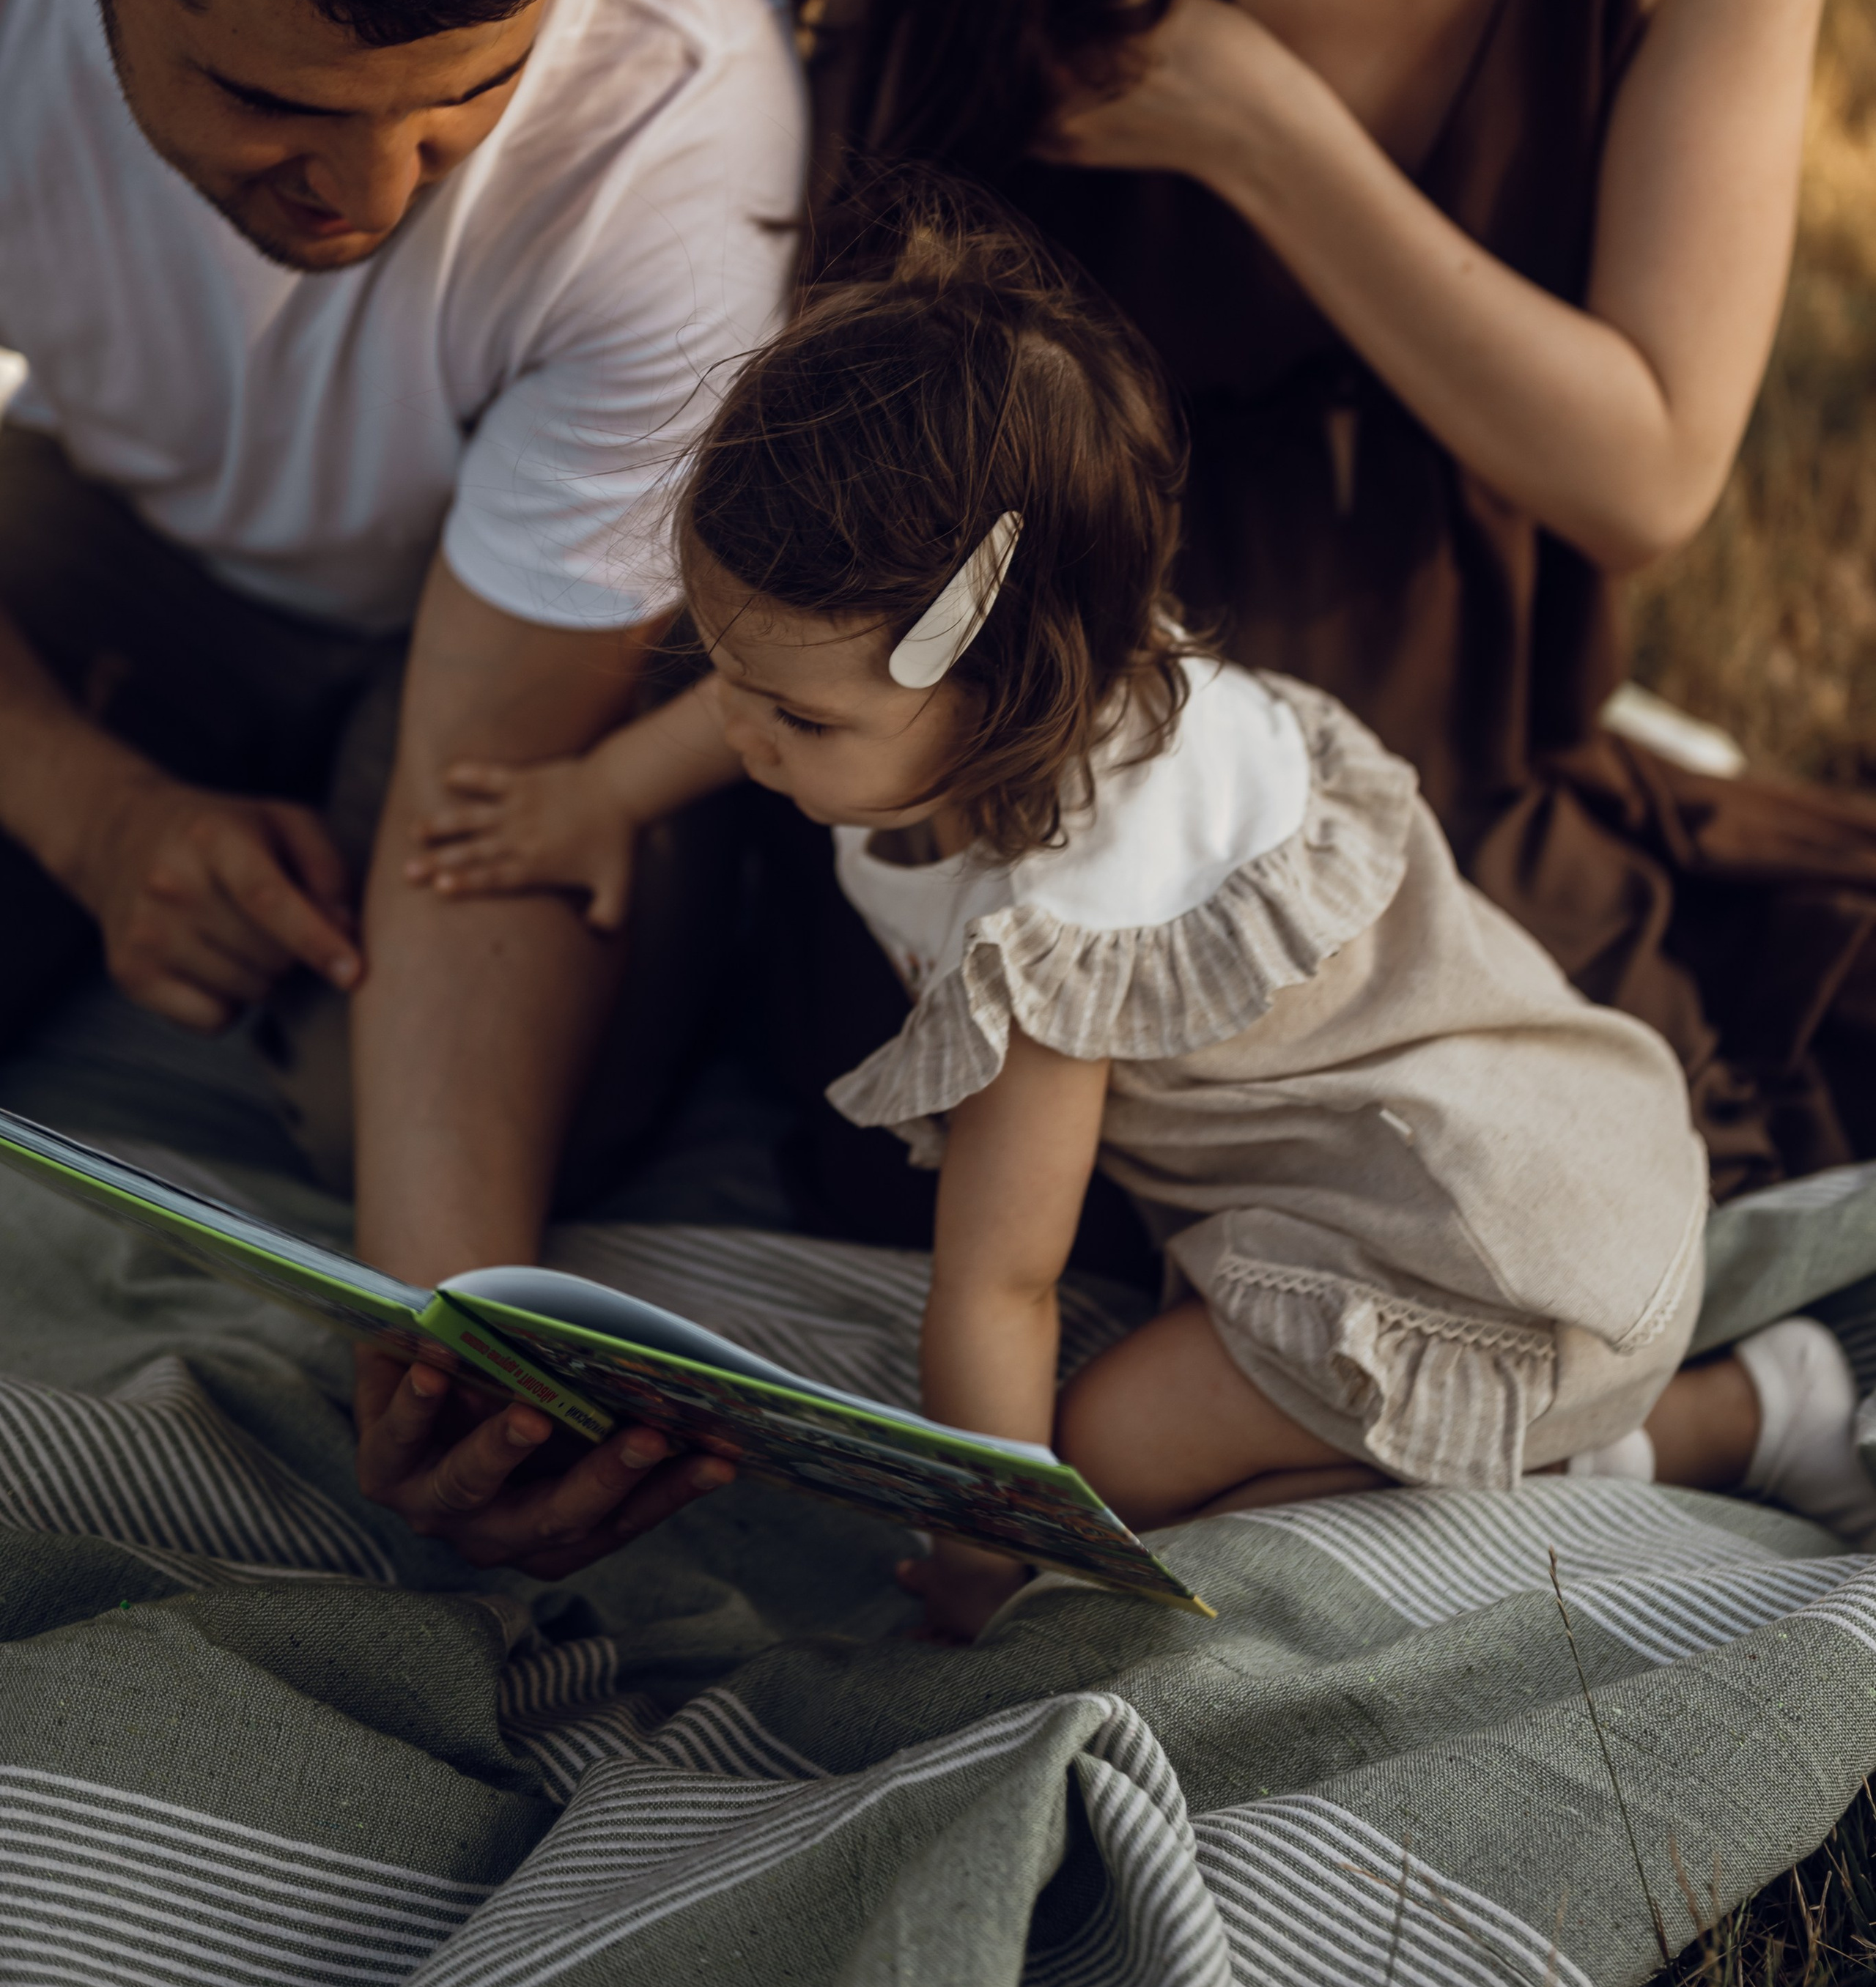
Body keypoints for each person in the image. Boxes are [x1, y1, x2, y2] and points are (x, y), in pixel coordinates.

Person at [791, 0, 1876, 1231]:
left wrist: (1257, 128)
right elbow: (835, 409)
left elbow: (1644, 469)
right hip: (1065, 815)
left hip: (1468, 805)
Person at [408, 206, 1876, 1640]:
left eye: (793, 712)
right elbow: (754, 703)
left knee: (1103, 1461)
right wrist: (600, 792)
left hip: (1469, 1262)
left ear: (1002, 689)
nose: (736, 726)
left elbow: (1000, 1276)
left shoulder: (1056, 935)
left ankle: (1667, 1438)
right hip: (1518, 1133)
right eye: (719, 665)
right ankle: (1702, 1410)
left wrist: (984, 1540)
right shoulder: (1029, 657)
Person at [0, 0, 802, 1564]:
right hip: (101, 513)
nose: (369, 191)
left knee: (420, 1139)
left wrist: (450, 1336)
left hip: (500, 652)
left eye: (462, 103)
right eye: (273, 104)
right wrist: (93, 811)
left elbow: (494, 781)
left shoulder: (686, 104)